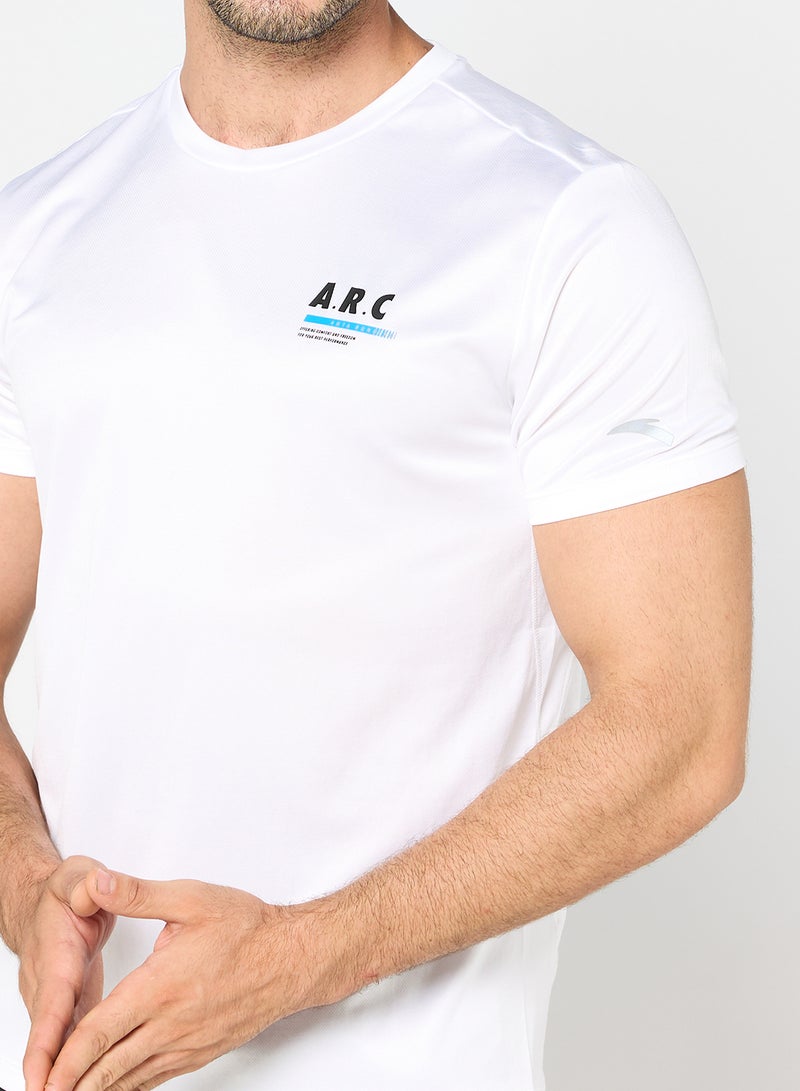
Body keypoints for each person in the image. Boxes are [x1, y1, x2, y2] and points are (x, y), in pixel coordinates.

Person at [0, 2, 752, 1090]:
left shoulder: (567, 221)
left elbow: (682, 724)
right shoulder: (36, 232)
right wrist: (23, 884)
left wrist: (298, 955)